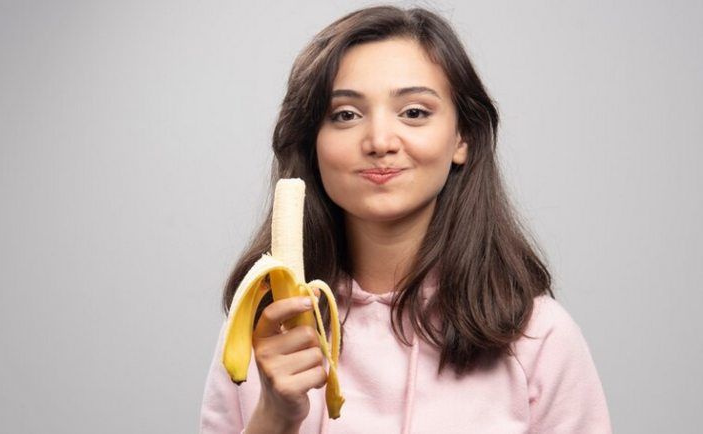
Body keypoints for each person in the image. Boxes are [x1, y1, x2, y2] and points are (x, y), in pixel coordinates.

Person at [199, 5, 612, 434]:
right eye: (345, 115)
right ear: (311, 143)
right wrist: (275, 418)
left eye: (414, 112)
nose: (379, 141)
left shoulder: (538, 338)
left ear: (462, 137)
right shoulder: (262, 327)